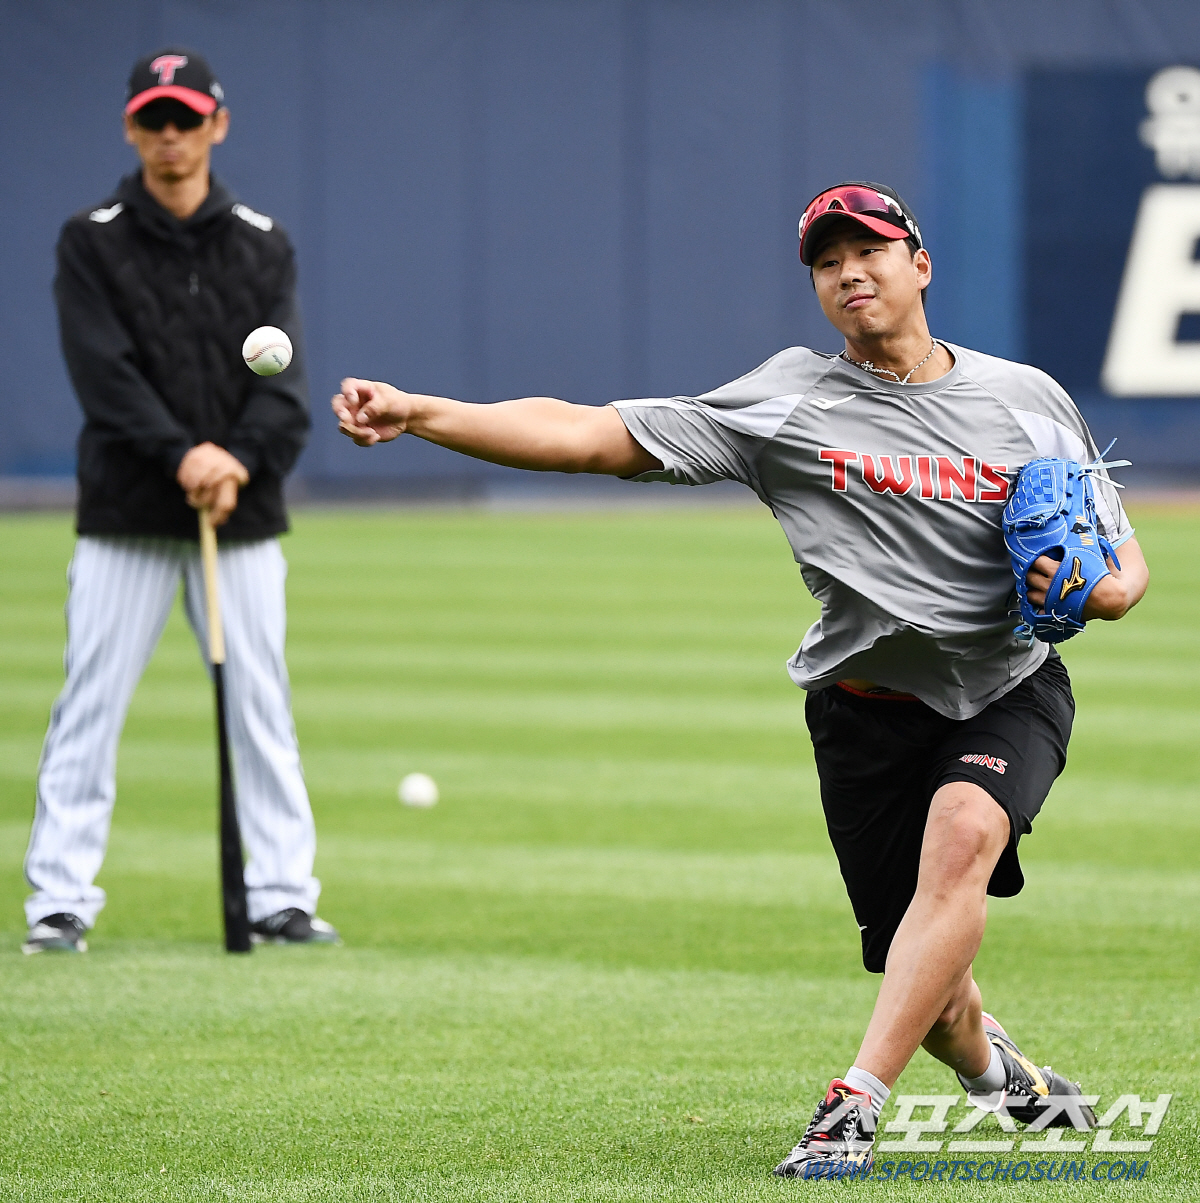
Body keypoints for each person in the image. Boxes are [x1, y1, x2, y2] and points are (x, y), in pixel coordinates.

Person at [330, 181, 1148, 1176]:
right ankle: (1001, 1076)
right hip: (865, 716)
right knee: (932, 991)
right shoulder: (787, 404)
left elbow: (1121, 556)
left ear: (920, 265)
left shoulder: (1026, 398)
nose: (850, 272)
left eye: (871, 251)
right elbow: (591, 437)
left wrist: (1108, 595)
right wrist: (421, 413)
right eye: (826, 261)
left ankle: (853, 1103)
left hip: (1008, 688)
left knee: (966, 834)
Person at [22, 47, 338, 954]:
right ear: (132, 127)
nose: (171, 137)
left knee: (261, 703)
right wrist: (182, 454)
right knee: (91, 700)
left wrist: (235, 459)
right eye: (155, 120)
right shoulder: (93, 237)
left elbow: (286, 386)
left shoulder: (260, 240)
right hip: (127, 513)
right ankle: (60, 899)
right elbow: (103, 374)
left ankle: (281, 892)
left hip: (238, 516)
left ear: (217, 125)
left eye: (187, 119)